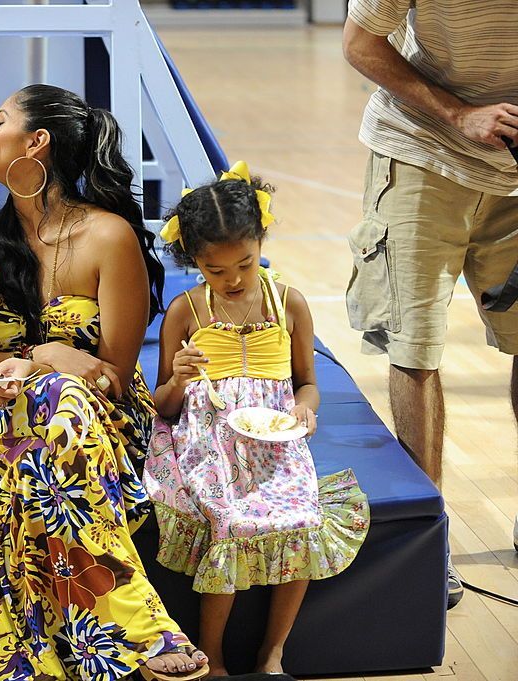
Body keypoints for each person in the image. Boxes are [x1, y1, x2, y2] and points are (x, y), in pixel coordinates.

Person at [0, 83, 209, 681]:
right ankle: (139, 631)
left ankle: (36, 659)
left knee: (60, 396)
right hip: (4, 415)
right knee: (48, 396)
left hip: (103, 424)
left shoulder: (108, 236)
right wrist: (22, 367)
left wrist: (43, 358)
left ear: (35, 143)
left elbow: (115, 375)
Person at [141, 162, 370, 676]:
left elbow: (308, 382)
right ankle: (214, 658)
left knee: (303, 516)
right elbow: (164, 407)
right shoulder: (185, 312)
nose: (234, 280)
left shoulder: (290, 304)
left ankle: (273, 654)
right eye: (216, 271)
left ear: (261, 243)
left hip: (273, 439)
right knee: (227, 519)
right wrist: (178, 378)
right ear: (194, 262)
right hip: (207, 441)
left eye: (245, 263)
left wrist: (304, 410)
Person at [342, 1, 518, 595]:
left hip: (514, 171)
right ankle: (429, 537)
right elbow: (359, 43)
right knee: (416, 347)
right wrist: (458, 112)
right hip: (423, 147)